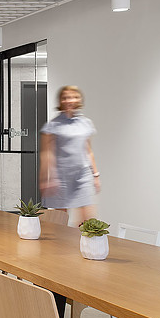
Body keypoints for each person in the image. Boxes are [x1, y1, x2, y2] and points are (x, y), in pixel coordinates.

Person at [40, 85, 100, 224]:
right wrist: (46, 178)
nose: (69, 100)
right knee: (59, 222)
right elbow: (46, 154)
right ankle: (60, 245)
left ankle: (85, 245)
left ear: (79, 100)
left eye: (73, 97)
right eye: (66, 97)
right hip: (61, 177)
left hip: (82, 175)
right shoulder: (53, 125)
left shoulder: (86, 123)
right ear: (61, 101)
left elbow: (88, 151)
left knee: (89, 219)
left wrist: (95, 175)